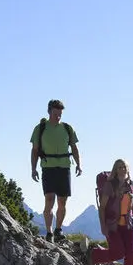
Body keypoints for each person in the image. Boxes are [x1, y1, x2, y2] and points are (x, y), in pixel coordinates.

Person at [30, 99, 81, 241]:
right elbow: (34, 151)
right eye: (55, 113)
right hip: (48, 167)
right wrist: (33, 169)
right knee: (49, 199)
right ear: (49, 112)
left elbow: (75, 148)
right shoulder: (40, 128)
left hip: (64, 167)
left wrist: (79, 164)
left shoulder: (67, 128)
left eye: (60, 114)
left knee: (62, 201)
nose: (58, 117)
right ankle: (49, 232)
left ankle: (58, 229)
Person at [93, 158, 133, 265]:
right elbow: (102, 207)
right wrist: (103, 226)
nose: (122, 170)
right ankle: (94, 255)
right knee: (118, 253)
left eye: (124, 167)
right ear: (115, 170)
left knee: (131, 254)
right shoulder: (110, 186)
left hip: (128, 224)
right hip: (113, 225)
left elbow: (131, 205)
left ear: (128, 170)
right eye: (119, 167)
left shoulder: (130, 185)